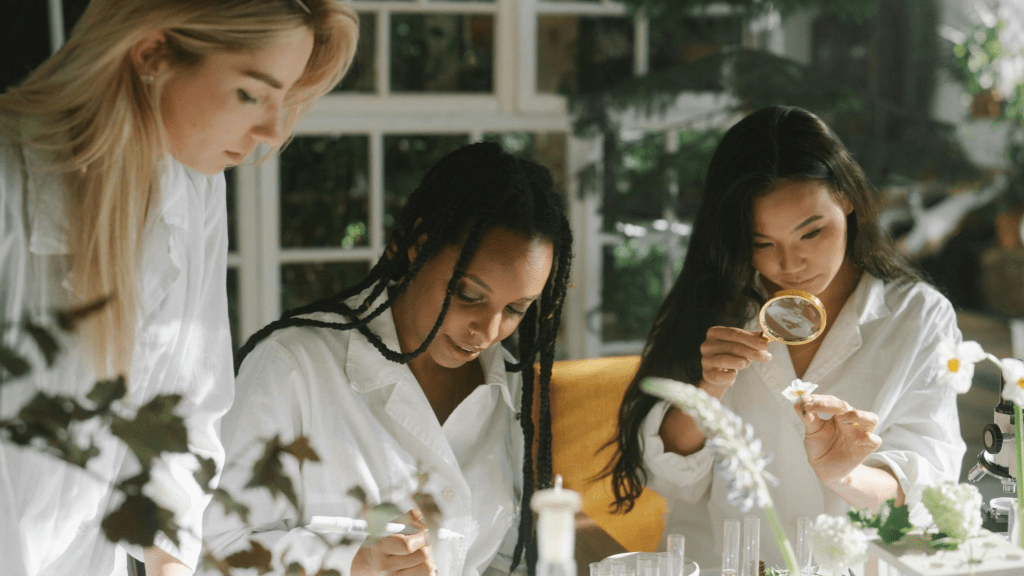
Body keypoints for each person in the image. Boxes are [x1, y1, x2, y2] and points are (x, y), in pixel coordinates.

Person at [0, 1, 357, 575]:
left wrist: (168, 560)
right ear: (152, 54)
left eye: (281, 99)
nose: (269, 132)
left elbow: (187, 406)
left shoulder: (195, 187)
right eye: (251, 94)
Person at [607, 106, 965, 568]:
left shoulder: (916, 319)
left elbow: (930, 489)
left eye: (811, 233)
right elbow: (668, 478)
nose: (789, 265)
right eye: (762, 243)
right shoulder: (717, 304)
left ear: (849, 199)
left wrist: (845, 473)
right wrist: (707, 391)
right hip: (720, 562)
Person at [203, 142, 574, 576]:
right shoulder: (293, 367)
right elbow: (210, 555)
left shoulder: (509, 394)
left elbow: (508, 561)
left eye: (515, 310)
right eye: (469, 295)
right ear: (417, 246)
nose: (488, 332)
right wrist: (351, 563)